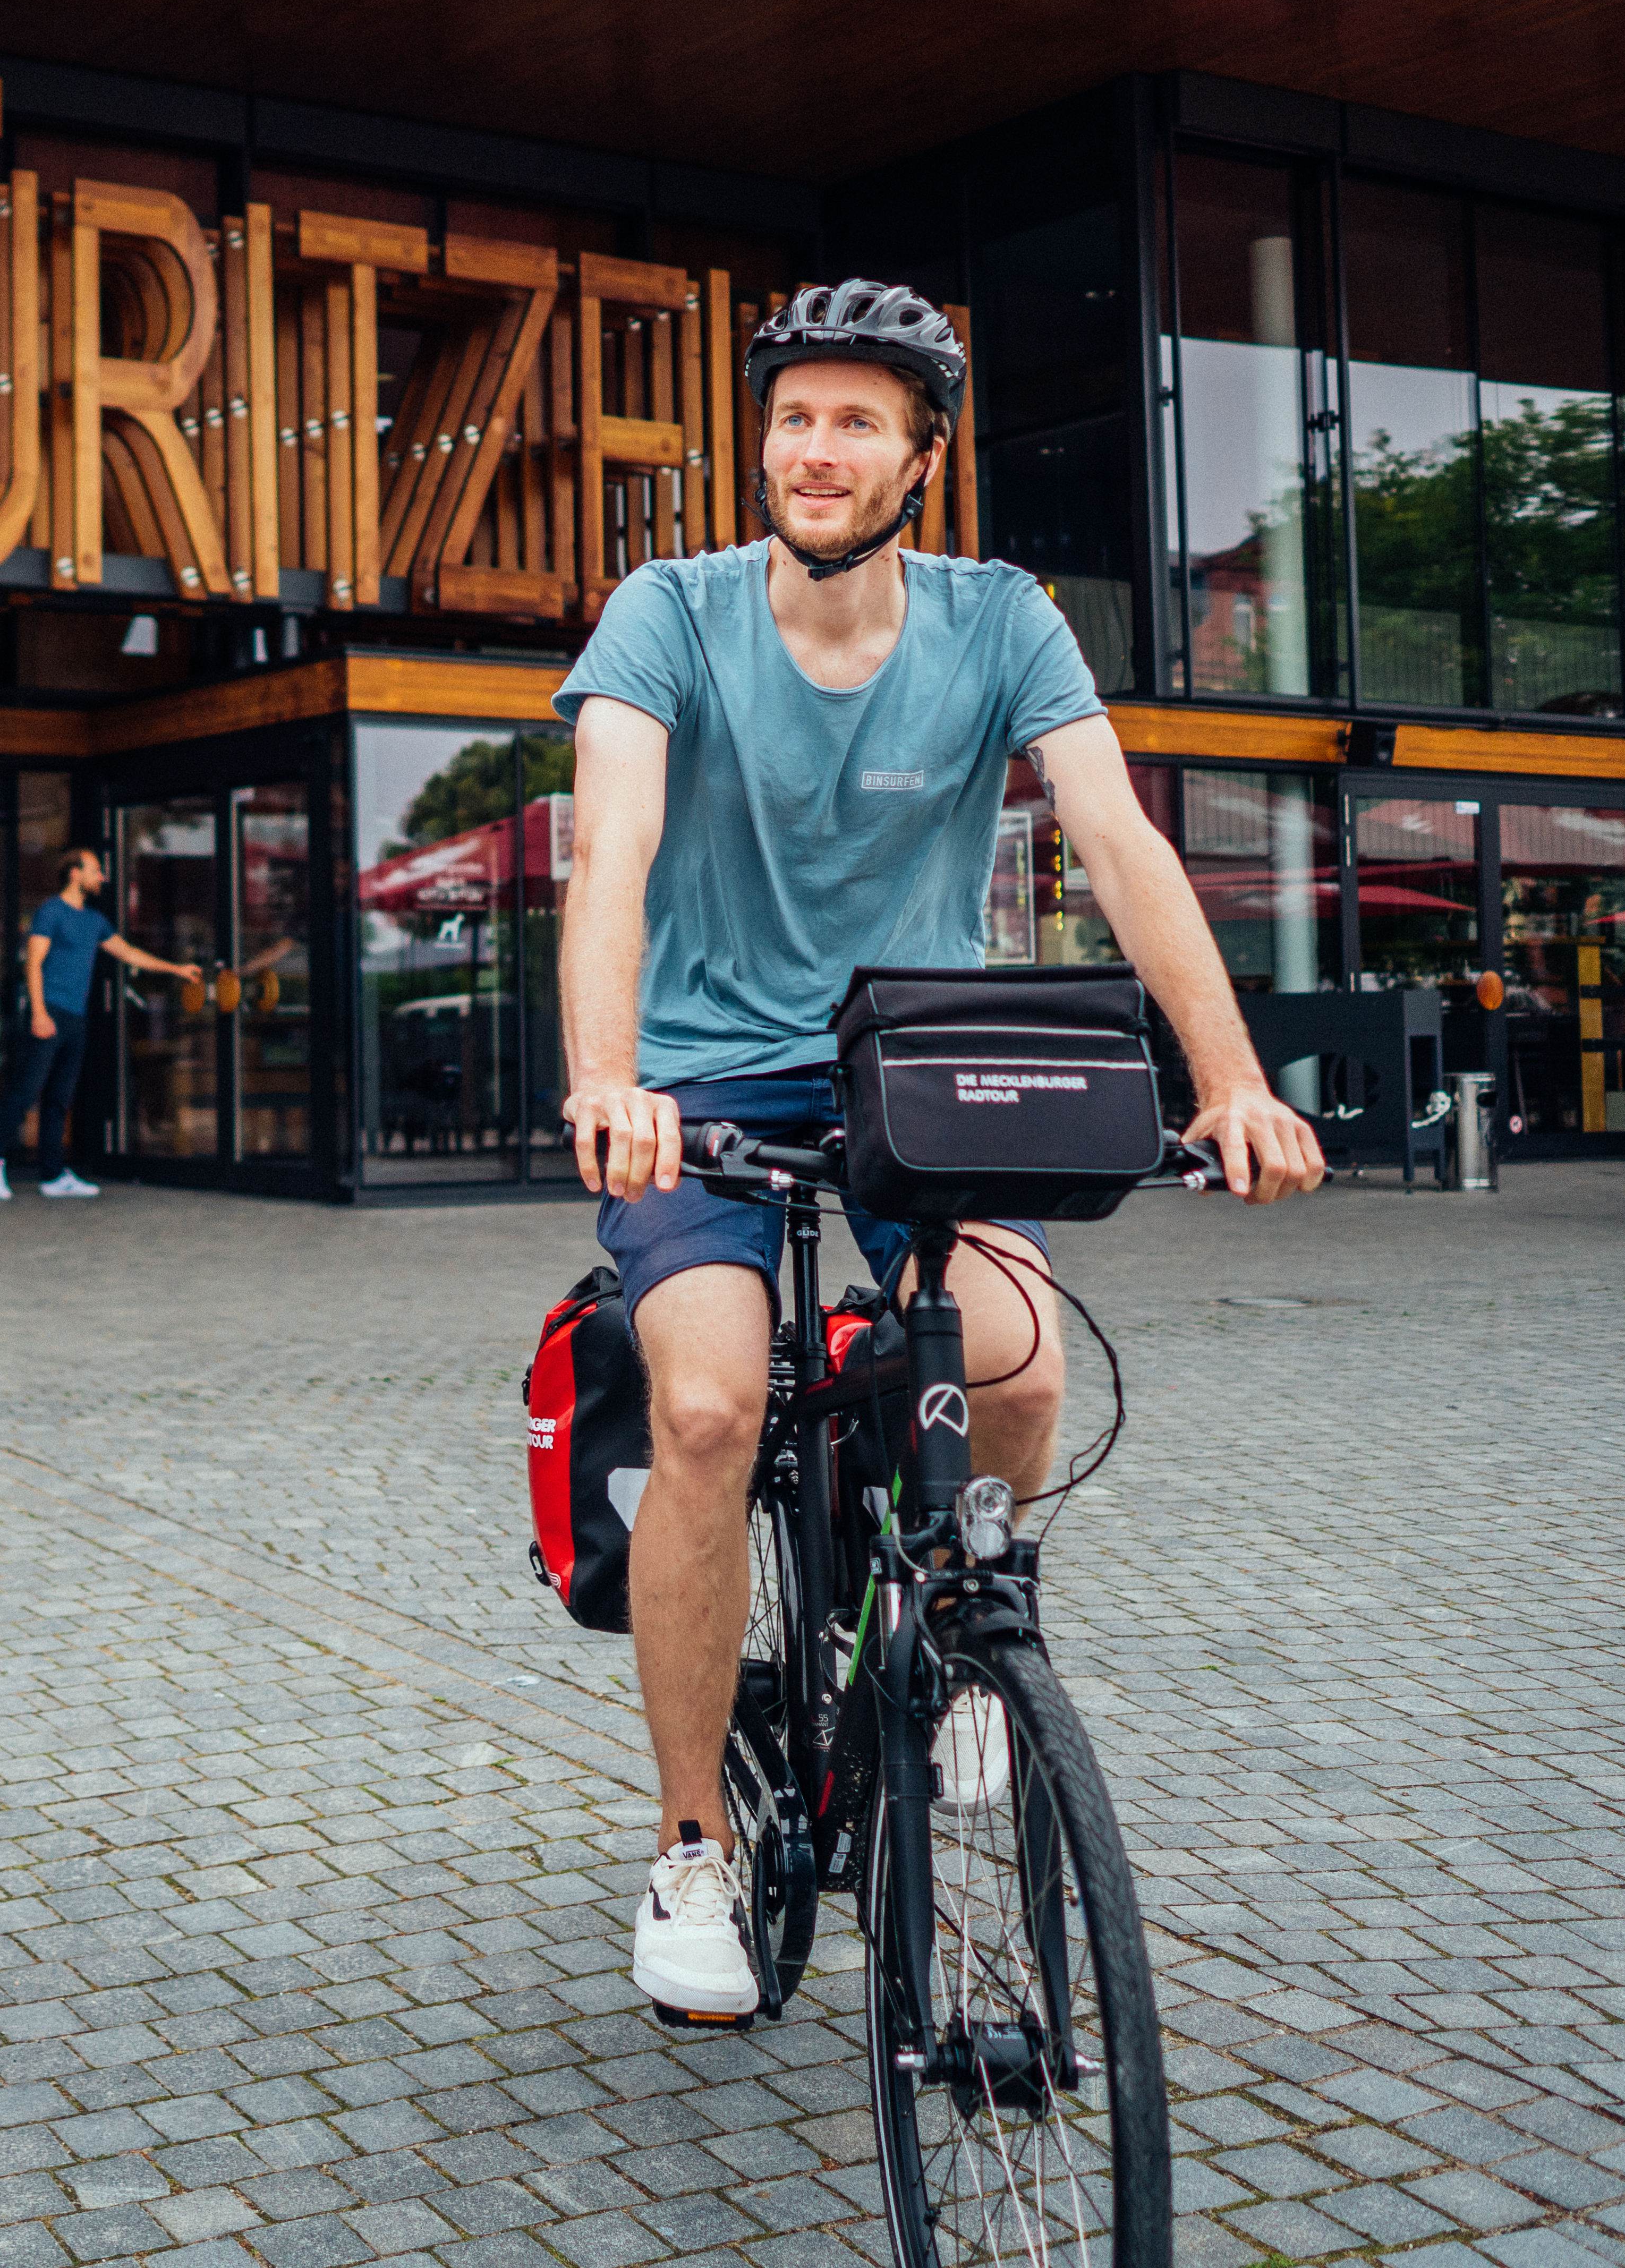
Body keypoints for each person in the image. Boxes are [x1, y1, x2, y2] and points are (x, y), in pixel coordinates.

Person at [554, 278, 1329, 2024]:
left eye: (855, 422)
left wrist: (1231, 1077)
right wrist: (609, 1074)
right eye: (792, 417)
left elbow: (1119, 841)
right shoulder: (666, 613)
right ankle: (690, 1848)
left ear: (921, 458)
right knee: (702, 1406)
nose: (813, 449)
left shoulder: (1001, 627)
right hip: (693, 1086)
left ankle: (959, 1628)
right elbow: (609, 851)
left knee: (1029, 1367)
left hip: (912, 1074)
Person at [0, 847, 201, 1200]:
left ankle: (53, 1175)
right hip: (49, 1012)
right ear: (74, 873)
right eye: (95, 871)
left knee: (60, 1096)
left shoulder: (94, 920)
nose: (102, 877)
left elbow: (129, 953)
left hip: (76, 1017)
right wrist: (40, 1012)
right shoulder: (51, 912)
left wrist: (176, 969)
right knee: (27, 1090)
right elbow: (33, 965)